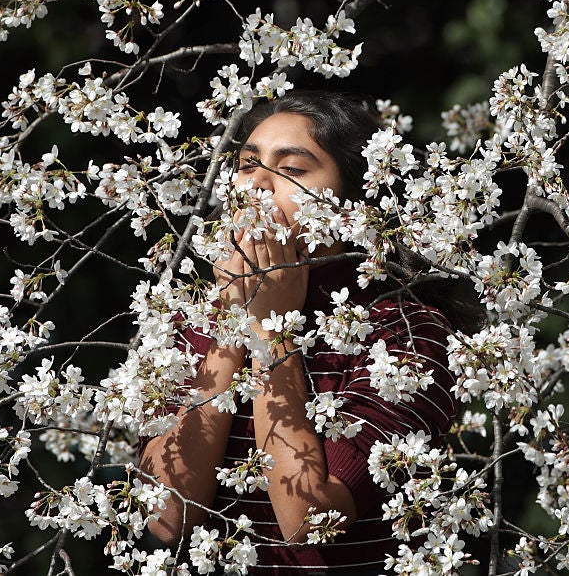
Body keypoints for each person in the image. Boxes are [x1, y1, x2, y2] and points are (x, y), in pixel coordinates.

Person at [138, 92, 479, 574]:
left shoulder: (406, 337)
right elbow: (167, 517)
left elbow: (310, 521)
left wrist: (272, 334)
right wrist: (234, 326)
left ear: (356, 205)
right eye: (246, 165)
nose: (256, 184)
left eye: (292, 169)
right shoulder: (191, 320)